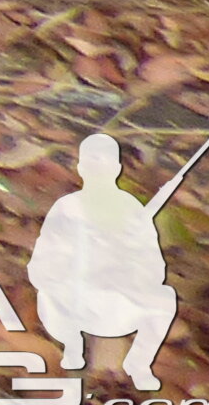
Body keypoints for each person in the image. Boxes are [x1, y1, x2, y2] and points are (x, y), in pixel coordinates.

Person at [27, 133, 177, 388]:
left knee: (160, 299)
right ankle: (83, 363)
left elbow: (153, 265)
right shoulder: (68, 207)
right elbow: (44, 260)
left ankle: (133, 367)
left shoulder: (130, 209)